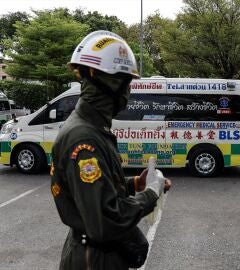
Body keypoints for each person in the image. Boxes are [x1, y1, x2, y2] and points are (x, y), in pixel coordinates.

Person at [50, 30, 171, 270]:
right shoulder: (84, 138)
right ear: (110, 83)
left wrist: (134, 183)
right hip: (94, 260)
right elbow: (105, 219)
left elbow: (91, 193)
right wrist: (151, 193)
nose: (128, 92)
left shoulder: (93, 128)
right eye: (127, 83)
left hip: (99, 254)